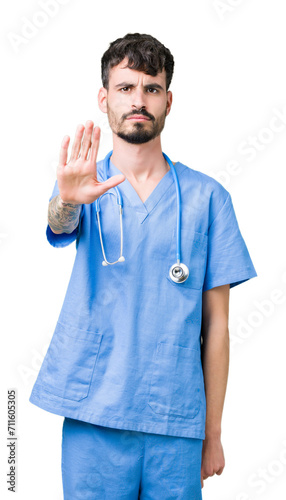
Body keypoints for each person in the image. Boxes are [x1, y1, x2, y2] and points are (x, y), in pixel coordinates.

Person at [29, 32, 257, 499]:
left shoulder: (208, 199)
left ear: (168, 101)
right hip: (96, 415)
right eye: (125, 87)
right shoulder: (84, 185)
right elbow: (60, 222)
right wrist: (67, 200)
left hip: (176, 420)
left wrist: (212, 433)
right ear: (104, 98)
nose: (139, 100)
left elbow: (217, 328)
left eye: (151, 89)